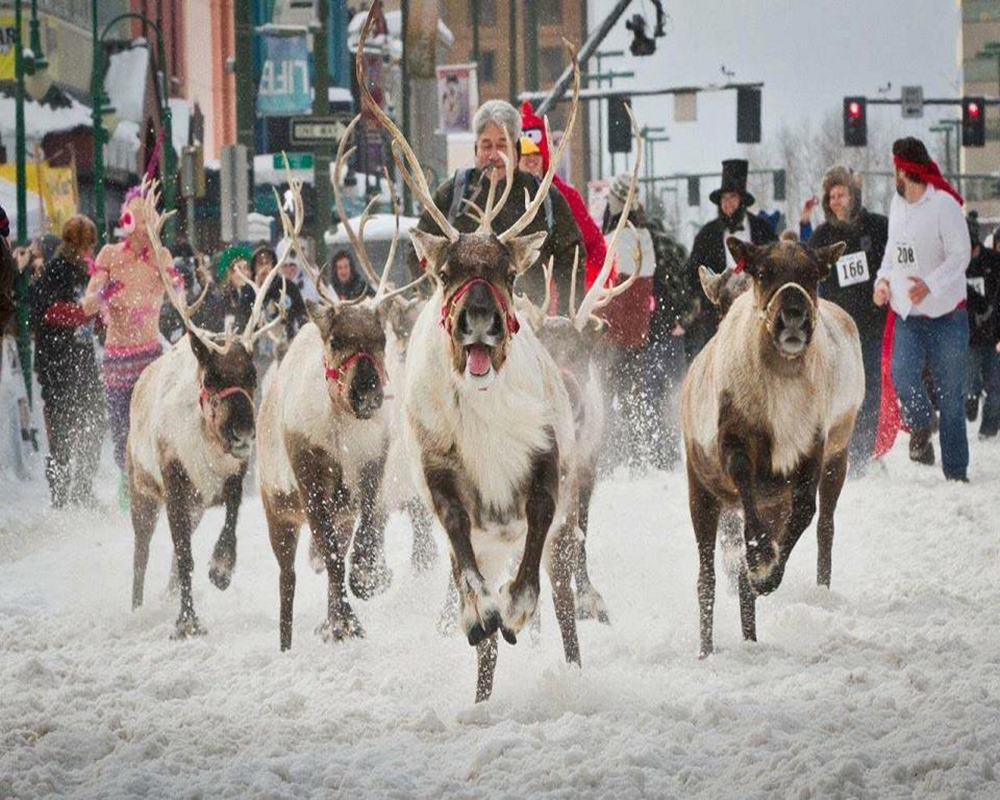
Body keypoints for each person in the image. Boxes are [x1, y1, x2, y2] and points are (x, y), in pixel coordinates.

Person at [407, 98, 585, 313]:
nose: (493, 155)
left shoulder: (543, 197)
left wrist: (568, 313)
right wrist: (434, 302)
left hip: (526, 323)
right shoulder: (453, 194)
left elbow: (571, 255)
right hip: (461, 323)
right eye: (486, 145)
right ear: (476, 148)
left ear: (516, 149)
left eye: (502, 145)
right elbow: (418, 248)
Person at [874, 137, 971, 481]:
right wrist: (882, 282)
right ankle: (921, 420)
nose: (893, 176)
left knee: (951, 396)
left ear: (905, 171)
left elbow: (962, 256)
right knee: (902, 375)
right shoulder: (897, 206)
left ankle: (956, 472)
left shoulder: (943, 205)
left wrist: (930, 284)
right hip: (908, 317)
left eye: (895, 169)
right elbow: (892, 252)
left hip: (948, 316)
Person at [84, 184, 171, 506]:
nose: (146, 229)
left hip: (151, 356)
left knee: (154, 426)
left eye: (151, 220)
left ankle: (156, 486)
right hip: (118, 359)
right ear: (127, 221)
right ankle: (128, 485)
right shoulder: (109, 255)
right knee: (122, 431)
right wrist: (103, 293)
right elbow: (86, 306)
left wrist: (172, 280)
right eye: (140, 220)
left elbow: (178, 298)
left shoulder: (161, 256)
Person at [806, 167, 889, 475]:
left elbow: (894, 258)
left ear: (852, 195)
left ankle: (863, 455)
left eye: (841, 194)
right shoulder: (822, 236)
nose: (836, 200)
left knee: (867, 390)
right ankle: (835, 452)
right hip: (834, 330)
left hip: (870, 327)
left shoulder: (878, 227)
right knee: (836, 391)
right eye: (831, 196)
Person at [30, 215, 107, 508]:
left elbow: (93, 314)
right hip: (56, 363)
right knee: (61, 432)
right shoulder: (56, 272)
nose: (90, 252)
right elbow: (49, 312)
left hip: (82, 358)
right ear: (75, 244)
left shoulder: (85, 274)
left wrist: (99, 315)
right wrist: (82, 312)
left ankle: (83, 488)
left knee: (96, 421)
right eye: (88, 246)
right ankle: (60, 495)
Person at [685, 159, 778, 360]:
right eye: (724, 198)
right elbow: (693, 274)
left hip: (758, 312)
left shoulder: (763, 230)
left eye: (733, 197)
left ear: (742, 201)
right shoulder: (706, 235)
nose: (727, 203)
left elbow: (778, 267)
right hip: (718, 316)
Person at [519, 102, 608, 300]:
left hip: (559, 299)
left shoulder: (566, 197)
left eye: (536, 154)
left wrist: (578, 292)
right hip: (521, 300)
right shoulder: (503, 197)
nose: (531, 160)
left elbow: (593, 246)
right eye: (525, 155)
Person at [964, 214, 1000, 439]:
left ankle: (989, 427)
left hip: (994, 334)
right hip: (967, 337)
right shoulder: (955, 265)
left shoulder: (994, 262)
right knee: (969, 385)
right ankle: (972, 398)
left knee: (996, 388)